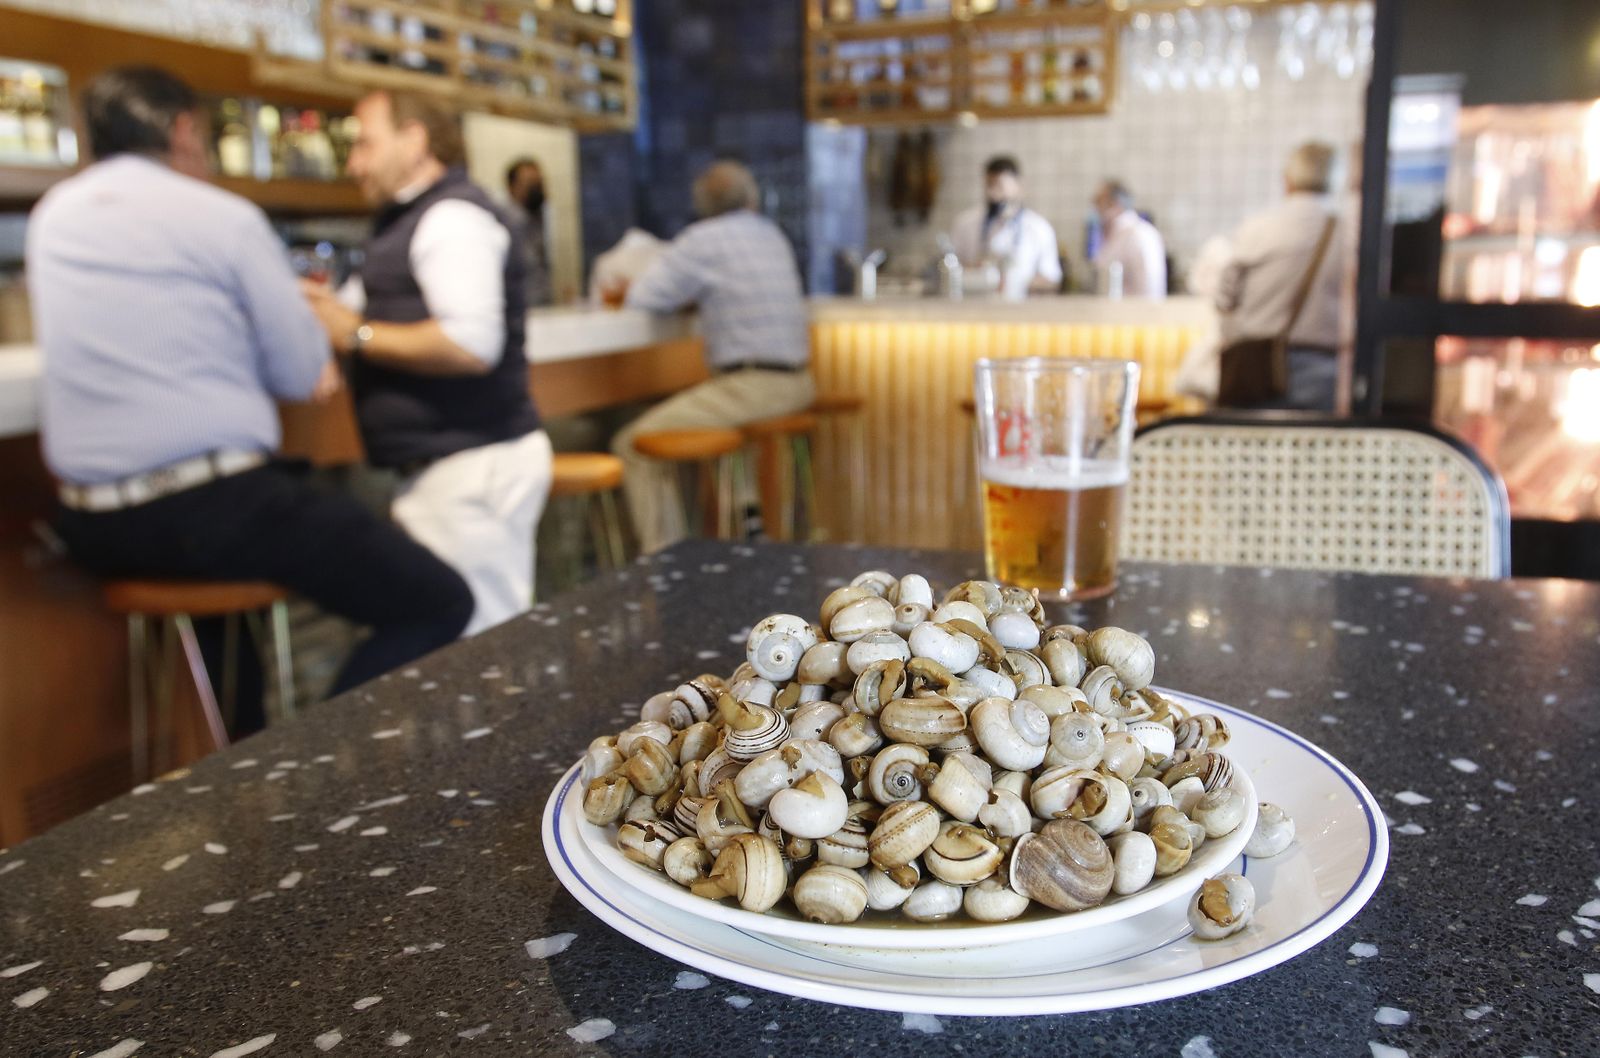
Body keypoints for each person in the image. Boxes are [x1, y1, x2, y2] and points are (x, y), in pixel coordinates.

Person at [28, 66, 474, 725]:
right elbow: (300, 373)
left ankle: (242, 770)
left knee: (233, 598)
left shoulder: (51, 216)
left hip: (92, 526)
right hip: (207, 512)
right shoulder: (220, 217)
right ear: (184, 130)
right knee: (438, 601)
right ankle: (301, 770)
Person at [300, 91, 551, 636]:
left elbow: (471, 344)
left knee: (480, 653)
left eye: (365, 144)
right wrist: (331, 336)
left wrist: (356, 335)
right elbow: (351, 315)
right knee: (471, 647)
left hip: (468, 463)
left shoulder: (450, 216)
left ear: (414, 140)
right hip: (452, 462)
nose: (353, 164)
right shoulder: (408, 221)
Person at [614, 160, 813, 553]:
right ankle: (748, 519)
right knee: (723, 416)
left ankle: (666, 560)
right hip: (799, 382)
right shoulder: (770, 233)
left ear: (702, 204)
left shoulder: (702, 240)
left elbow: (643, 296)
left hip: (755, 385)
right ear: (751, 198)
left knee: (632, 443)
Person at [1215, 142, 1346, 411]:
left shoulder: (1258, 228)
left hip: (1255, 366)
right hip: (1325, 369)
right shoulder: (1348, 233)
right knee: (1314, 449)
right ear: (1335, 181)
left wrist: (1234, 333)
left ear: (1287, 180)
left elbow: (1224, 297)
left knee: (1252, 448)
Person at [950, 155, 1062, 300]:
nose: (993, 195)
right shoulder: (965, 224)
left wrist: (1018, 284)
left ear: (1019, 186)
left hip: (1022, 313)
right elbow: (952, 271)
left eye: (1000, 186)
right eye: (989, 186)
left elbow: (1051, 280)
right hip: (973, 311)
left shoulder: (1039, 228)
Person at [1092, 179, 1167, 299]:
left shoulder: (1138, 235)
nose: (1095, 208)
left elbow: (1149, 288)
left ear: (1114, 203)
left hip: (1135, 314)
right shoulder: (1115, 234)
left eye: (1098, 202)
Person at [504, 156, 553, 307]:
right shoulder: (509, 223)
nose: (536, 188)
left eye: (538, 182)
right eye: (529, 183)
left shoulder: (537, 216)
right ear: (512, 188)